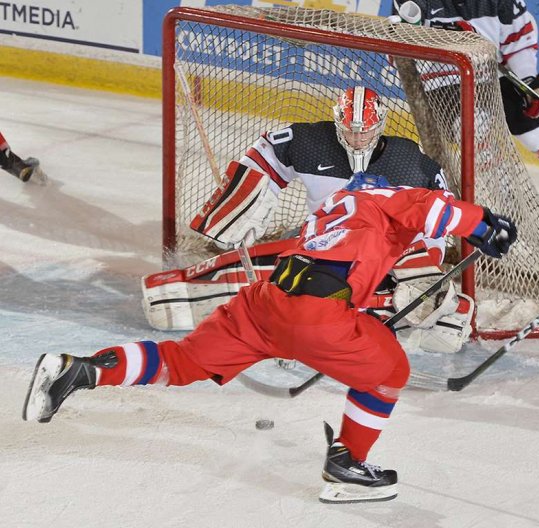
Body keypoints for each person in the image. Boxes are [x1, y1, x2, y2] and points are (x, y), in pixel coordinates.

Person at [23, 172, 517, 503]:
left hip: (263, 305)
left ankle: (79, 370)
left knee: (183, 361)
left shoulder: (325, 218)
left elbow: (342, 267)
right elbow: (427, 206)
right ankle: (348, 464)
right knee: (391, 370)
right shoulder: (375, 198)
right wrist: (484, 225)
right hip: (314, 317)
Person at [147, 86, 475, 355]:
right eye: (350, 131)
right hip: (321, 246)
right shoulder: (310, 142)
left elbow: (437, 223)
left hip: (379, 257)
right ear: (337, 124)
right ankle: (176, 296)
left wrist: (420, 269)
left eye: (366, 132)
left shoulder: (411, 163)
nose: (358, 139)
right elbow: (265, 154)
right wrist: (240, 205)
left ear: (381, 125)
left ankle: (445, 310)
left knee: (395, 298)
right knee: (274, 277)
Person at [390, 0, 539, 224]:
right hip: (443, 81)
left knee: (535, 127)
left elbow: (518, 41)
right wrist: (443, 40)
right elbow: (395, 50)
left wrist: (530, 84)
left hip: (492, 74)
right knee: (475, 130)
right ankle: (507, 202)